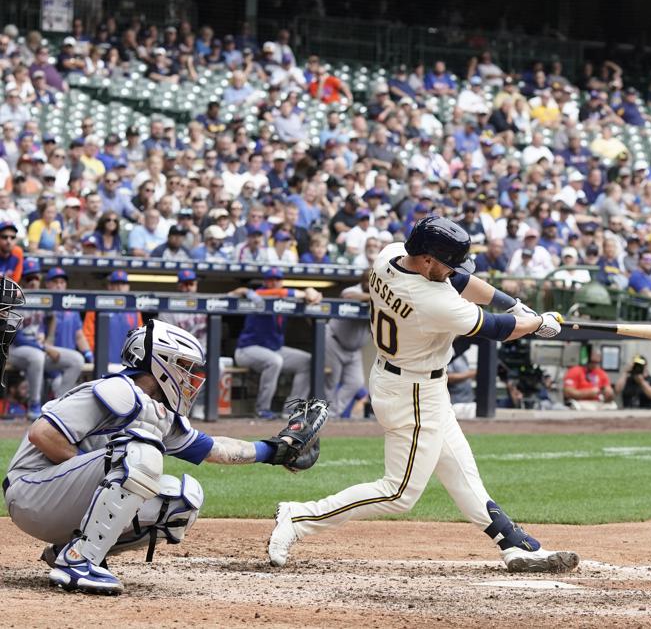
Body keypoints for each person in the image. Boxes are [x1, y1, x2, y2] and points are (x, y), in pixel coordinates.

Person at [267, 216, 577, 574]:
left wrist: (514, 304)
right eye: (446, 264)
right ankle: (300, 516)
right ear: (427, 259)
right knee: (399, 493)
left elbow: (461, 279)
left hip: (411, 382)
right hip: (411, 391)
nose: (453, 272)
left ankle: (513, 543)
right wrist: (539, 322)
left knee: (460, 468)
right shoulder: (432, 301)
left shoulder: (391, 254)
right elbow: (496, 329)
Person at [4, 319, 326, 594]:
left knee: (183, 500)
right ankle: (79, 564)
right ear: (161, 363)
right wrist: (96, 472)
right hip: (31, 492)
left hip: (58, 499)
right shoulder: (115, 391)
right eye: (183, 367)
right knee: (141, 452)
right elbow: (43, 435)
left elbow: (214, 448)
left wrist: (275, 450)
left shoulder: (156, 413)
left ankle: (71, 549)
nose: (190, 377)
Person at [230, 267, 323, 419]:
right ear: (265, 282)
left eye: (277, 279)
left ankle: (293, 409)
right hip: (247, 349)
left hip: (273, 349)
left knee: (307, 361)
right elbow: (281, 293)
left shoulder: (285, 298)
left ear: (282, 281)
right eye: (270, 280)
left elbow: (305, 296)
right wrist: (307, 291)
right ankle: (262, 409)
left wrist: (312, 292)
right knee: (275, 361)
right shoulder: (258, 295)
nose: (274, 282)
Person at [8, 261, 84, 420]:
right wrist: (44, 347)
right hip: (15, 350)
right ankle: (34, 404)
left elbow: (51, 318)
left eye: (35, 277)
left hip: (39, 348)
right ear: (22, 280)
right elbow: (17, 337)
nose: (33, 281)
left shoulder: (43, 298)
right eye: (28, 278)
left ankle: (58, 405)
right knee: (37, 356)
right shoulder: (13, 300)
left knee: (76, 359)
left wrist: (47, 338)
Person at [325, 272, 370, 418]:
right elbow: (348, 297)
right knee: (331, 382)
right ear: (363, 282)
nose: (371, 284)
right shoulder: (352, 290)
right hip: (334, 341)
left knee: (356, 383)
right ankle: (324, 416)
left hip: (354, 350)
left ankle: (331, 415)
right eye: (368, 281)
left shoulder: (381, 297)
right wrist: (377, 297)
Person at [81, 271, 143, 365]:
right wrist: (95, 357)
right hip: (104, 364)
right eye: (116, 284)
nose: (119, 287)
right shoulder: (97, 307)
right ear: (109, 286)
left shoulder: (135, 311)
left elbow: (141, 338)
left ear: (128, 287)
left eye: (123, 284)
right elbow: (87, 335)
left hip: (129, 365)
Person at [563, 346, 616, 411]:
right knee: (590, 408)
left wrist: (609, 394)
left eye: (597, 362)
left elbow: (608, 390)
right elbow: (567, 392)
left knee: (612, 406)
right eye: (593, 362)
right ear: (587, 359)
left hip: (598, 402)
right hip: (581, 402)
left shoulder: (602, 373)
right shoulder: (575, 370)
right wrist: (588, 393)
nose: (595, 365)